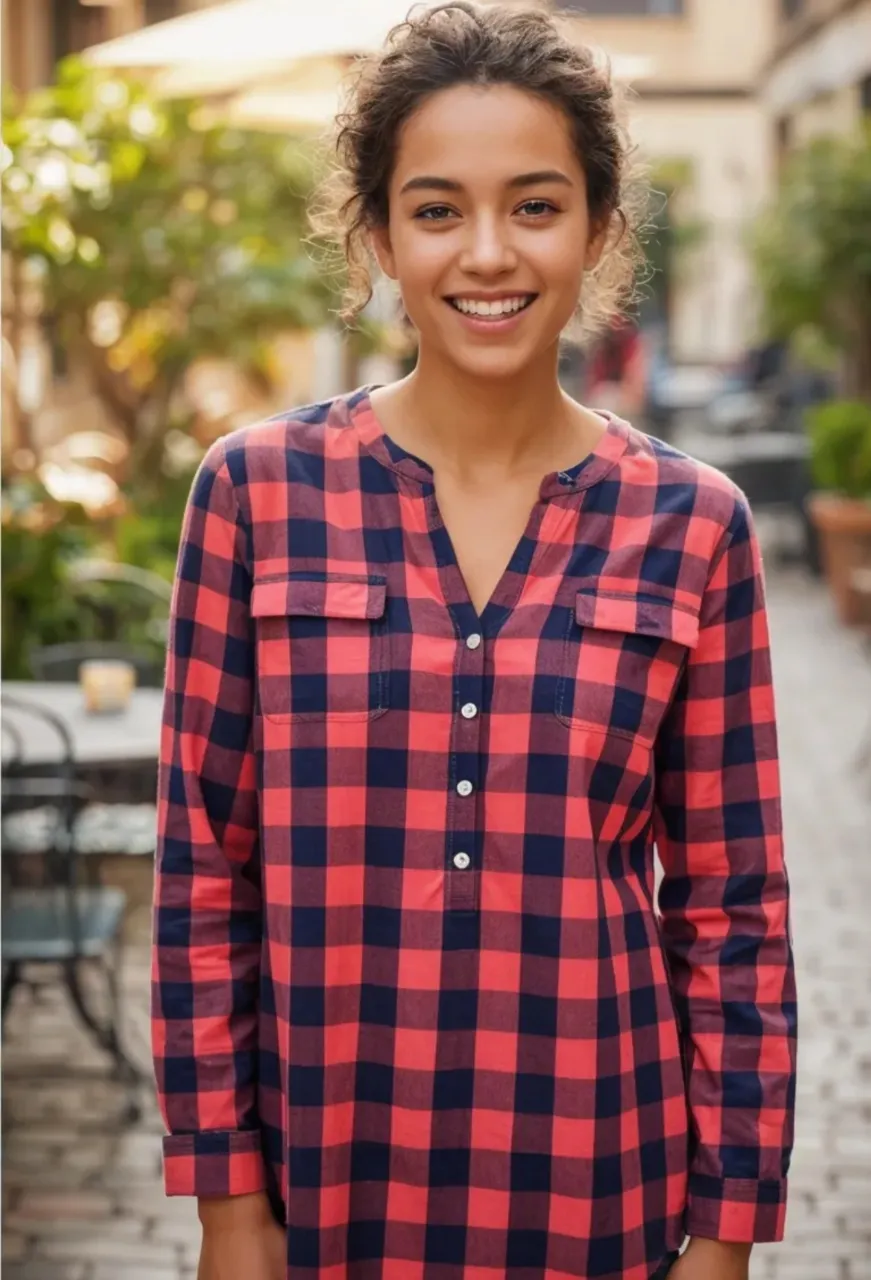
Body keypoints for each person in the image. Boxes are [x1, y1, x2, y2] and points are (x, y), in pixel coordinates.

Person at [151, 5, 796, 1278]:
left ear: (601, 229)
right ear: (379, 233)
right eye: (437, 208)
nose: (486, 253)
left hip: (601, 1190)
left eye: (536, 205)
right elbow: (202, 880)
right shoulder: (253, 495)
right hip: (328, 1193)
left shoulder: (696, 525)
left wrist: (725, 1232)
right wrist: (227, 1202)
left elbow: (735, 913)